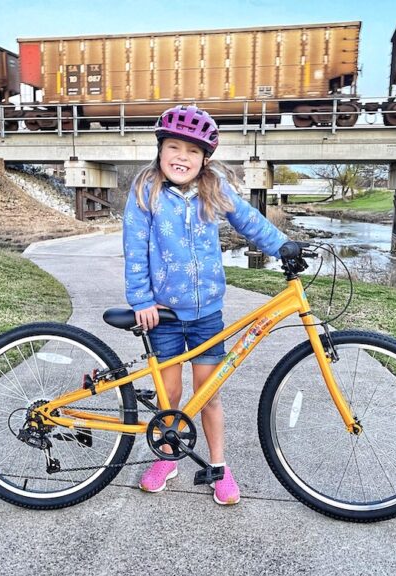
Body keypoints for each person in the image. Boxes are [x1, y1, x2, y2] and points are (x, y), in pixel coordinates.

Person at [123, 104, 288, 505]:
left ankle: (218, 465)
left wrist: (283, 247)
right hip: (162, 315)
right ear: (160, 149)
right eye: (174, 147)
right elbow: (134, 247)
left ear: (205, 158)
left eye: (192, 151)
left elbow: (249, 221)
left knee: (209, 395)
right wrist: (141, 298)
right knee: (169, 397)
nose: (182, 157)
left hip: (206, 315)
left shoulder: (216, 188)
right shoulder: (146, 189)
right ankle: (167, 458)